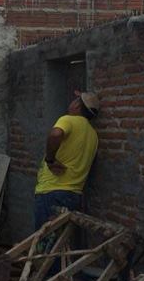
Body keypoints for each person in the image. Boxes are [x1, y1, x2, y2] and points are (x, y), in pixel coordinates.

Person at [34, 91, 100, 228]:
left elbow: (56, 134)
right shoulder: (93, 135)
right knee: (60, 241)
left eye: (75, 100)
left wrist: (50, 160)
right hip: (74, 195)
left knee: (45, 243)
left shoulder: (68, 119)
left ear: (77, 106)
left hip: (52, 192)